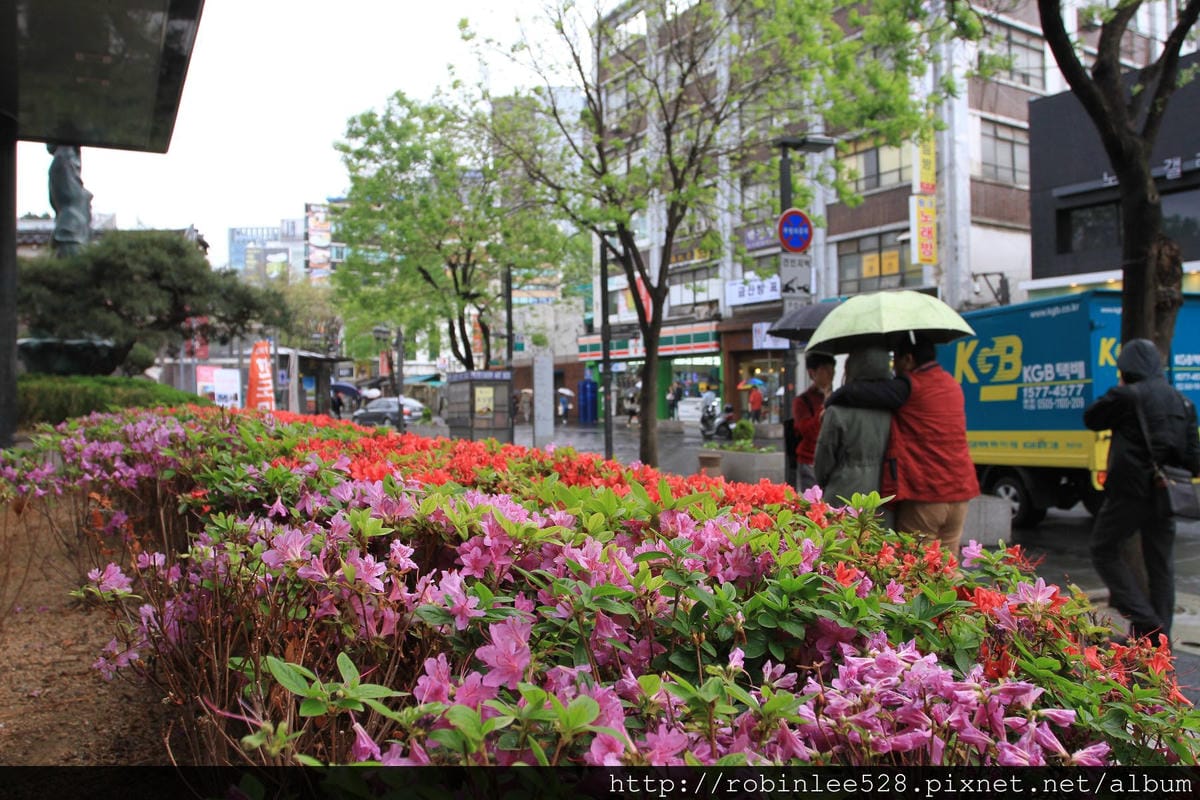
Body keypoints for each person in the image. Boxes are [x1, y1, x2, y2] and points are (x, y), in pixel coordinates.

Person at [1083, 338, 1200, 642]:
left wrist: (1120, 387)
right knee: (1161, 564)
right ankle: (1159, 641)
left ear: (1128, 368)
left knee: (1103, 548)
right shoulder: (1183, 402)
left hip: (1130, 492)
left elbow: (1092, 418)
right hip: (1167, 493)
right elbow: (1193, 458)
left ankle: (1145, 619)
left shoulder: (1127, 396)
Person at [825, 336, 978, 555]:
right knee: (948, 572)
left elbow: (856, 393)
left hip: (926, 495)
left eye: (895, 360)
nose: (893, 368)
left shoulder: (910, 386)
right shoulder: (951, 383)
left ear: (908, 359)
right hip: (960, 494)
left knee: (916, 569)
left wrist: (831, 399)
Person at [814, 346, 894, 526]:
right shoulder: (893, 408)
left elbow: (823, 460)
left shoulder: (836, 410)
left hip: (843, 492)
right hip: (883, 495)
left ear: (851, 368)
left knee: (842, 547)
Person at [793, 351, 836, 492]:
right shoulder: (802, 401)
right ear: (812, 373)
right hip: (810, 460)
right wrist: (824, 406)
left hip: (833, 461)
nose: (831, 375)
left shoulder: (838, 397)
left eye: (832, 370)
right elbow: (808, 431)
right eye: (825, 371)